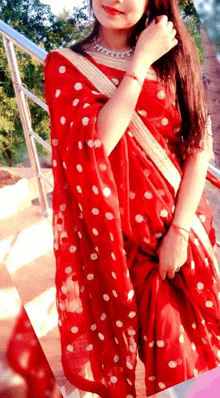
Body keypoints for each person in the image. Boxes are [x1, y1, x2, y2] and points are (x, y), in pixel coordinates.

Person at [43, 0, 220, 397]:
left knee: (204, 352)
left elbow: (198, 148)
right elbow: (97, 143)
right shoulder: (65, 66)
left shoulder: (175, 55)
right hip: (126, 244)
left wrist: (178, 231)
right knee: (177, 362)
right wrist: (139, 61)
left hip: (184, 233)